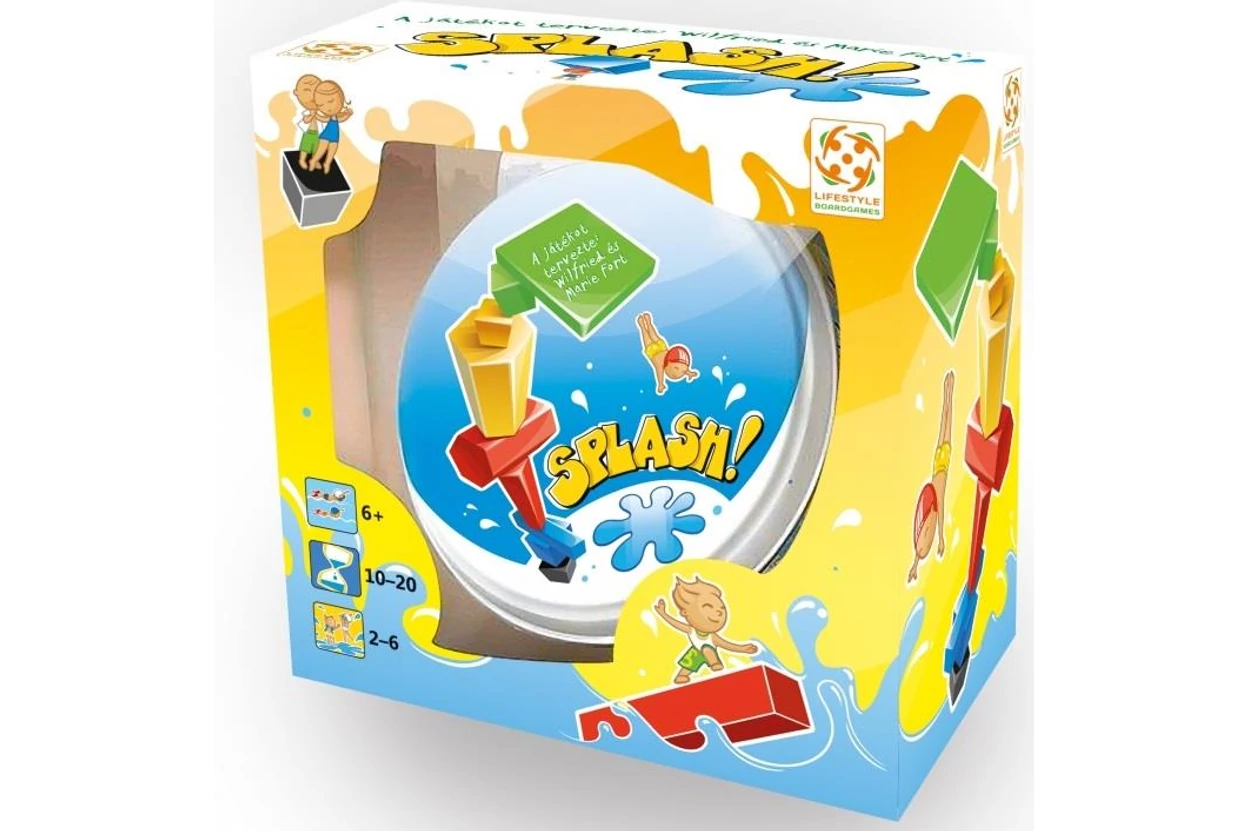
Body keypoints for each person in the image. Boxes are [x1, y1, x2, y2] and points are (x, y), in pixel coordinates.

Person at [653, 576, 758, 684]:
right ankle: (682, 675)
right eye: (708, 607)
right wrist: (663, 613)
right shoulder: (691, 630)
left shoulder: (712, 637)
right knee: (687, 665)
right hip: (696, 652)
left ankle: (714, 663)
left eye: (722, 608)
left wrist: (743, 649)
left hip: (709, 652)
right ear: (685, 612)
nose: (719, 612)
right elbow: (675, 623)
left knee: (707, 649)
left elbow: (727, 645)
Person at [909, 370, 955, 583]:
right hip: (938, 461)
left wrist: (942, 538)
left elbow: (939, 512)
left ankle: (949, 387)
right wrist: (915, 566)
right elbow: (923, 537)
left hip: (942, 460)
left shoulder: (937, 496)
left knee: (947, 415)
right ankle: (948, 387)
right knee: (945, 415)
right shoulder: (935, 498)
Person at [635, 311, 698, 396]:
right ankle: (645, 325)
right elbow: (660, 374)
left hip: (654, 349)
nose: (679, 374)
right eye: (676, 368)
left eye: (682, 372)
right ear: (669, 362)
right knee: (651, 335)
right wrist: (660, 384)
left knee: (649, 337)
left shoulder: (665, 364)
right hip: (658, 348)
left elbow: (683, 367)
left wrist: (689, 373)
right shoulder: (660, 364)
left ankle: (645, 324)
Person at [307, 80, 354, 173]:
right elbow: (323, 119)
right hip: (326, 136)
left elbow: (342, 118)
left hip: (334, 137)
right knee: (321, 150)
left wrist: (348, 115)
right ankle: (314, 160)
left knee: (332, 150)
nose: (328, 108)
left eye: (331, 101)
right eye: (321, 105)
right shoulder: (330, 117)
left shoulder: (336, 117)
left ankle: (327, 163)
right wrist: (315, 115)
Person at [292, 74, 323, 170]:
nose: (312, 96)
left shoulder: (319, 112)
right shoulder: (306, 112)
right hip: (309, 133)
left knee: (316, 149)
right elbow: (306, 120)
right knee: (305, 148)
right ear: (296, 93)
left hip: (317, 134)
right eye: (307, 91)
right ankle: (302, 160)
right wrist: (312, 114)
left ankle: (314, 160)